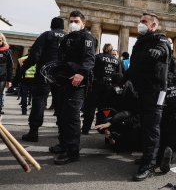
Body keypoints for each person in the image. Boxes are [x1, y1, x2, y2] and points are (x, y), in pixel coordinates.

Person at [125, 12, 171, 181]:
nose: (141, 24)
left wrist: (158, 52)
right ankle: (147, 157)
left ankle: (150, 165)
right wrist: (123, 79)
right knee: (144, 125)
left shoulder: (160, 39)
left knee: (152, 127)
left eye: (144, 21)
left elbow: (164, 48)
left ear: (153, 25)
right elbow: (134, 66)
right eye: (140, 21)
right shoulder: (139, 43)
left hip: (156, 89)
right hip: (142, 89)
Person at [49, 10, 96, 165]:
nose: (73, 23)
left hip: (78, 82)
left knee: (71, 117)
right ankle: (63, 145)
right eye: (71, 21)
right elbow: (60, 58)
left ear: (83, 23)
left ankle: (72, 152)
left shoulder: (87, 37)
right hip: (63, 80)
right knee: (61, 115)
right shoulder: (67, 38)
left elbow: (89, 59)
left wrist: (81, 73)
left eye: (76, 21)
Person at [21, 17, 65, 142]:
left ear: (51, 25)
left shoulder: (47, 35)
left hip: (44, 73)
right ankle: (62, 133)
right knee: (61, 103)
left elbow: (35, 55)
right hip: (61, 75)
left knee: (39, 101)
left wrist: (23, 69)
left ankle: (34, 132)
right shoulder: (68, 37)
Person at [81, 43, 123, 134]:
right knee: (104, 109)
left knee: (90, 108)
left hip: (96, 85)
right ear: (111, 50)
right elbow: (119, 75)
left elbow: (90, 70)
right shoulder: (117, 61)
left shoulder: (98, 57)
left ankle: (85, 129)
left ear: (103, 49)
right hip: (109, 87)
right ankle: (100, 128)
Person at [0, 33, 13, 115]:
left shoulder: (7, 51)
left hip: (1, 77)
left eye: (0, 40)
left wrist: (9, 80)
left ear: (2, 41)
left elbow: (10, 66)